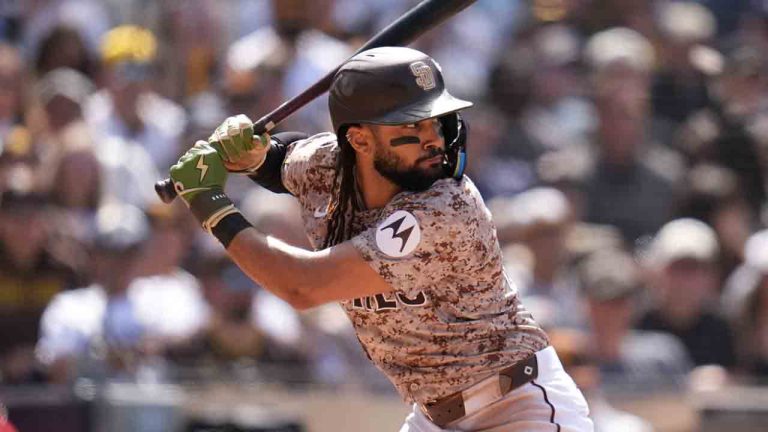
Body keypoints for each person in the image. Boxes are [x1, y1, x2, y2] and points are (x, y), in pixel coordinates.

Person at [168, 46, 592, 431]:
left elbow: (302, 286)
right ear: (359, 140)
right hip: (432, 417)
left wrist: (209, 203)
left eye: (435, 121)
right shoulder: (328, 164)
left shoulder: (446, 208)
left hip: (517, 408)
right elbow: (282, 162)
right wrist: (251, 155)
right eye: (411, 125)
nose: (433, 139)